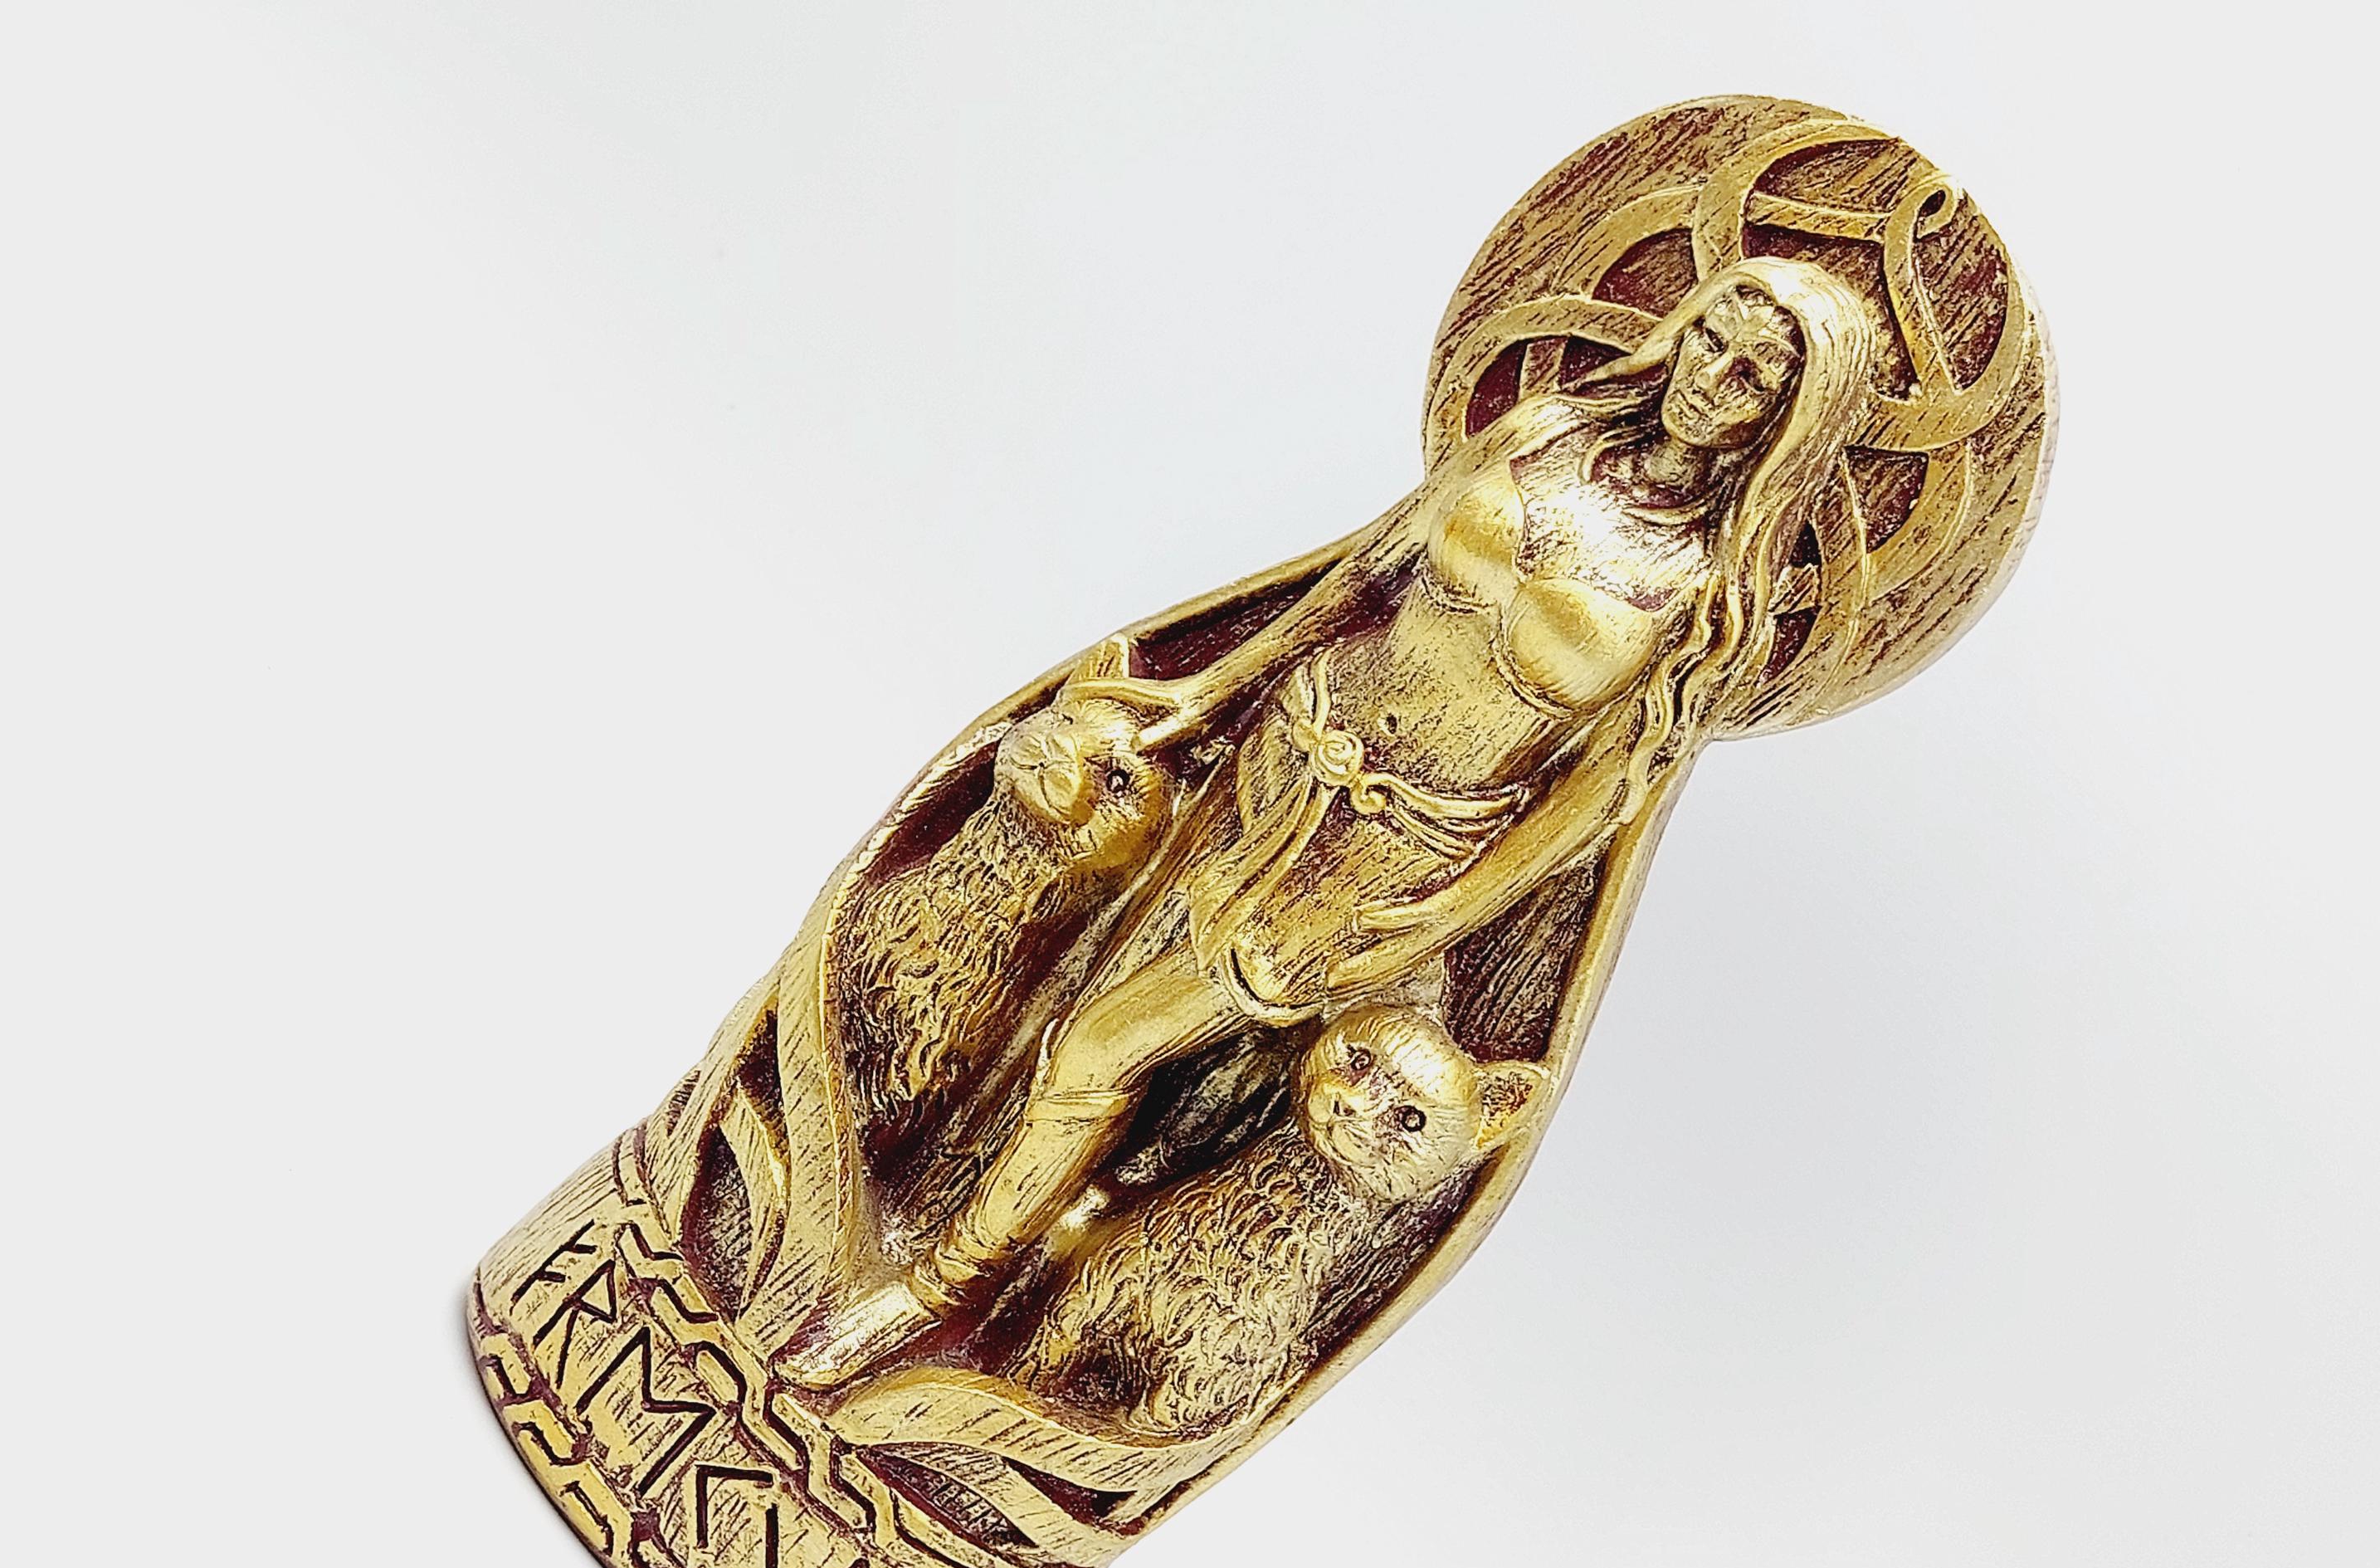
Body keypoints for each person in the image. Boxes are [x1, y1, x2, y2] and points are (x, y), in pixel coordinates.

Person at [783, 256, 1876, 1387]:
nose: (1713, 377)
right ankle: (929, 1202)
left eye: (1754, 376)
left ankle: (942, 1289)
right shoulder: (1544, 431)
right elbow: (1361, 580)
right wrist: (1211, 689)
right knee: (1076, 985)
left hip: (1380, 864)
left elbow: (1590, 809)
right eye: (1710, 336)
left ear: (1786, 423)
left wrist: (1435, 918)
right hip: (1286, 748)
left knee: (1104, 1045)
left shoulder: (1707, 603)